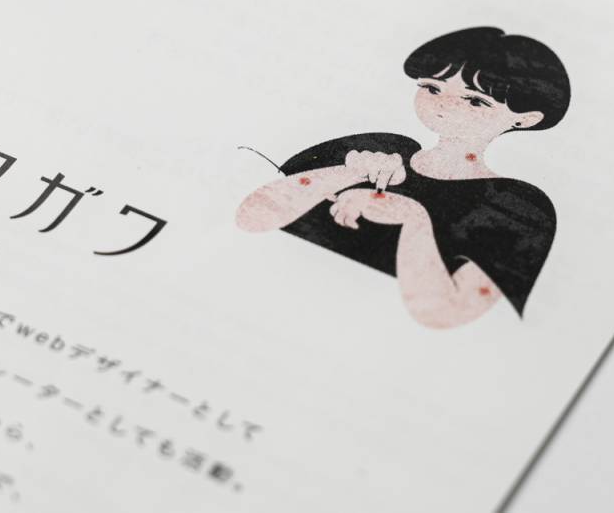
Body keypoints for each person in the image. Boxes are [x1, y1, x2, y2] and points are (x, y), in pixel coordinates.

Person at [235, 26, 570, 329]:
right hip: (256, 295)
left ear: (524, 119)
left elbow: (447, 315)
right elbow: (251, 217)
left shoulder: (516, 205)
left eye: (475, 101)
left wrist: (413, 219)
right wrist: (349, 172)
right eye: (432, 88)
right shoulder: (381, 148)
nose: (444, 105)